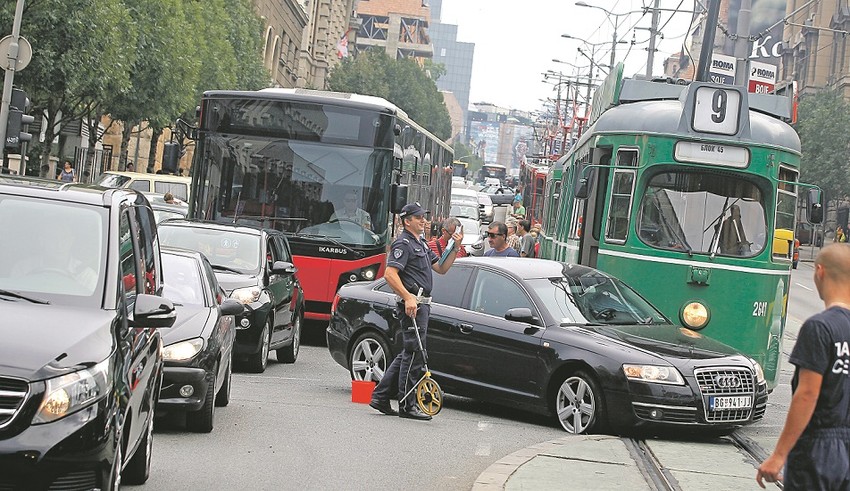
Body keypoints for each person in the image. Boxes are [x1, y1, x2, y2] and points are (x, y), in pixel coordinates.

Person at [756, 243, 850, 490]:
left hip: (819, 448)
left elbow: (807, 394)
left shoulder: (820, 327)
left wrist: (778, 455)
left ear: (819, 272)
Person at [369, 202, 463, 420]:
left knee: (408, 352)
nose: (424, 220)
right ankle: (407, 404)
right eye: (419, 217)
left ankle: (381, 396)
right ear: (407, 220)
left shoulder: (420, 242)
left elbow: (441, 268)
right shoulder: (403, 243)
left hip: (421, 305)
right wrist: (407, 297)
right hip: (412, 305)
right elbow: (390, 274)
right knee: (415, 354)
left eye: (424, 216)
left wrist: (456, 247)